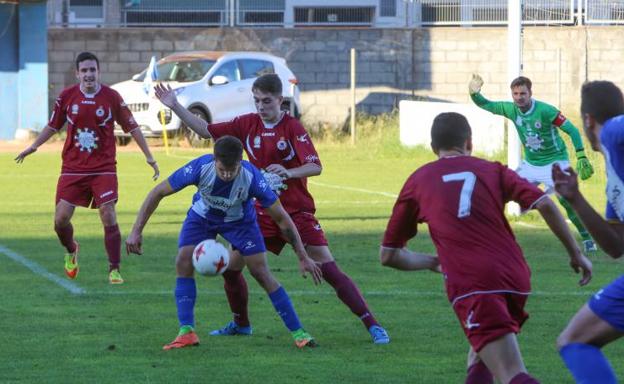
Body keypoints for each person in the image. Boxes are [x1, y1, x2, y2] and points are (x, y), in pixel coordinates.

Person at [153, 74, 390, 344]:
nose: (260, 106)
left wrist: (288, 173)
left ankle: (373, 324)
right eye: (256, 100)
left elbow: (316, 166)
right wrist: (175, 106)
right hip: (259, 214)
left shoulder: (293, 128)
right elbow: (206, 130)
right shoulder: (247, 123)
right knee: (231, 269)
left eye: (266, 101)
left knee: (328, 270)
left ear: (280, 100)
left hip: (297, 213)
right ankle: (241, 324)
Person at [380, 112, 592, 384]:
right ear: (469, 142)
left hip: (474, 283)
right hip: (515, 276)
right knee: (479, 358)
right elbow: (546, 204)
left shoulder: (419, 179)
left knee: (511, 372)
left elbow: (388, 255)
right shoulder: (493, 169)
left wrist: (433, 261)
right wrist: (575, 253)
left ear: (433, 148)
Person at [126, 135, 322, 350]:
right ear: (214, 160)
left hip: (240, 223)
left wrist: (303, 256)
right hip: (202, 217)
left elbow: (283, 219)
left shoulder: (253, 178)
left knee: (261, 272)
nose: (227, 175)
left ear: (241, 162)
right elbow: (158, 192)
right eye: (222, 170)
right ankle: (187, 331)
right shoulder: (200, 167)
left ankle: (299, 333)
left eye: (232, 170)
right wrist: (136, 231)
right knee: (183, 260)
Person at [15, 51, 159, 284]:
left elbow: (132, 127)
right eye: (84, 70)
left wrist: (149, 157)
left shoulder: (112, 97)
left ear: (98, 72)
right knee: (60, 220)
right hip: (72, 168)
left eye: (93, 70)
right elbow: (53, 126)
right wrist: (34, 146)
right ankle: (71, 249)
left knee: (108, 212)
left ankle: (114, 269)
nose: (89, 74)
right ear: (77, 73)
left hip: (103, 168)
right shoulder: (67, 97)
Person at [469, 74, 597, 253]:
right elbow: (486, 104)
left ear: (530, 93)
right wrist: (474, 94)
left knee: (566, 200)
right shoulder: (511, 109)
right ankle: (488, 237)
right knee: (499, 193)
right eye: (515, 94)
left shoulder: (546, 110)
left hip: (555, 163)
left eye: (523, 93)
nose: (519, 97)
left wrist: (581, 155)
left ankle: (587, 238)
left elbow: (572, 130)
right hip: (530, 165)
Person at [554, 80, 624, 383]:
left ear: (586, 120)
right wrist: (576, 199)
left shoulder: (611, 131)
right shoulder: (615, 180)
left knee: (575, 341)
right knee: (575, 340)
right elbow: (615, 246)